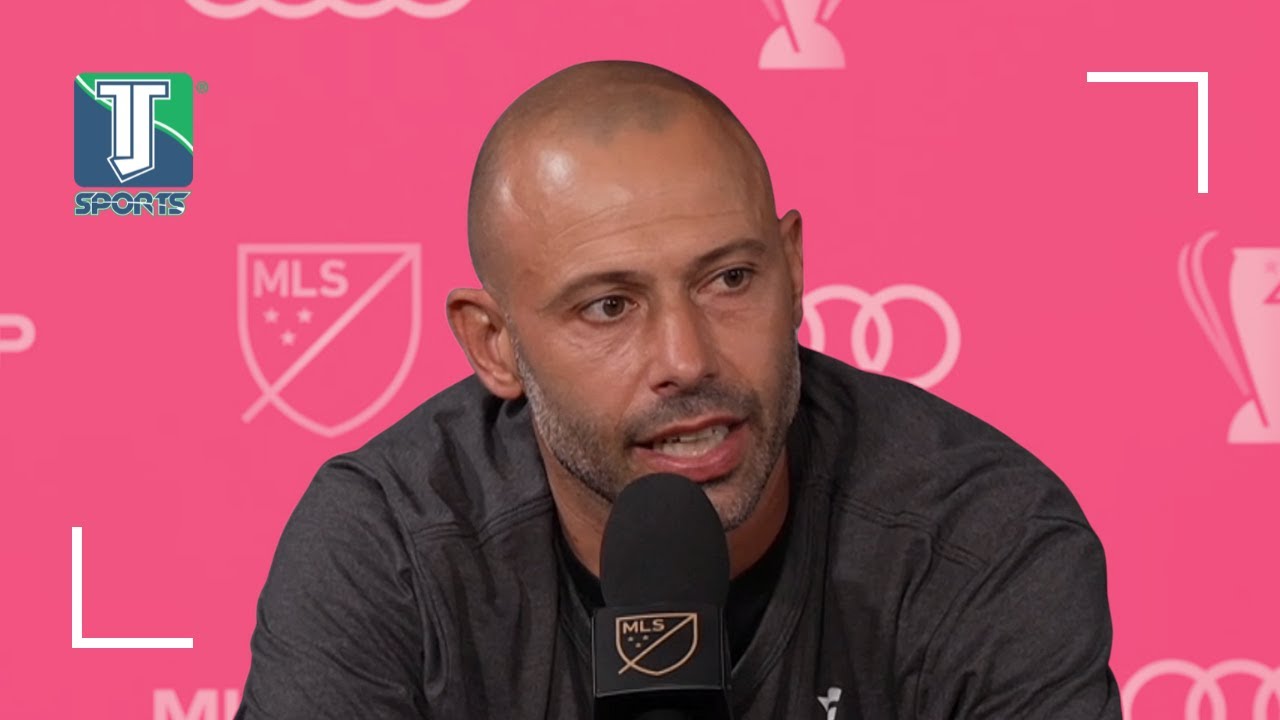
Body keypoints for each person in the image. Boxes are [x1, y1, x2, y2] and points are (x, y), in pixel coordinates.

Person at [235, 60, 1121, 719]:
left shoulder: (977, 537)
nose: (687, 359)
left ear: (793, 271)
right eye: (609, 306)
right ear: (494, 344)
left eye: (729, 280)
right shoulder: (390, 549)